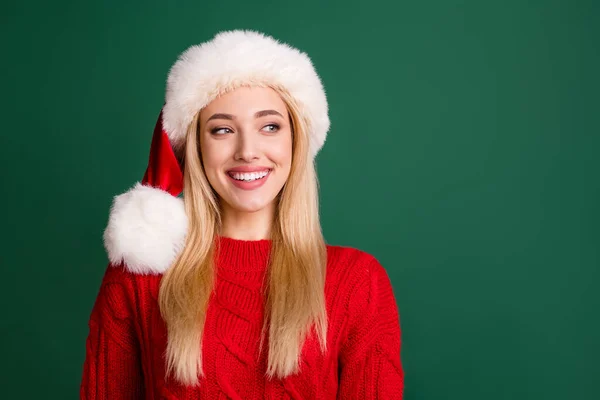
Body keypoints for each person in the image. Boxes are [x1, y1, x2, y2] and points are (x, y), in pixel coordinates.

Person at [80, 29, 404, 399]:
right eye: (222, 129)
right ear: (197, 148)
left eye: (269, 126)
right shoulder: (140, 278)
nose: (248, 151)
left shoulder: (358, 283)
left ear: (295, 141)